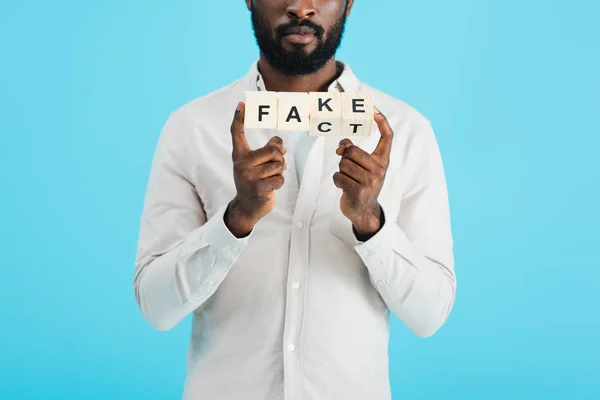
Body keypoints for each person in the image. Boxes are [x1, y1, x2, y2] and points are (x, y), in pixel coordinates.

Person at [133, 0, 456, 399]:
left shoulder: (406, 130)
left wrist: (371, 224)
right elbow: (156, 306)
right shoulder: (192, 127)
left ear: (349, 3)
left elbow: (430, 314)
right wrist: (236, 220)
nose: (301, 7)